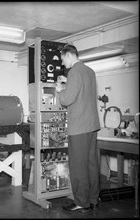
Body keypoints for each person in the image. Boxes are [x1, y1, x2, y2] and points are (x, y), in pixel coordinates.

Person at [56, 44, 101, 213]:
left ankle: (81, 202)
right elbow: (84, 90)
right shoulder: (89, 71)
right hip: (92, 125)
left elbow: (67, 99)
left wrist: (61, 90)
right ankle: (93, 199)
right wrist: (69, 82)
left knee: (78, 166)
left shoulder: (74, 72)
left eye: (62, 59)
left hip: (79, 127)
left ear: (68, 55)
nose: (62, 62)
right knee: (91, 164)